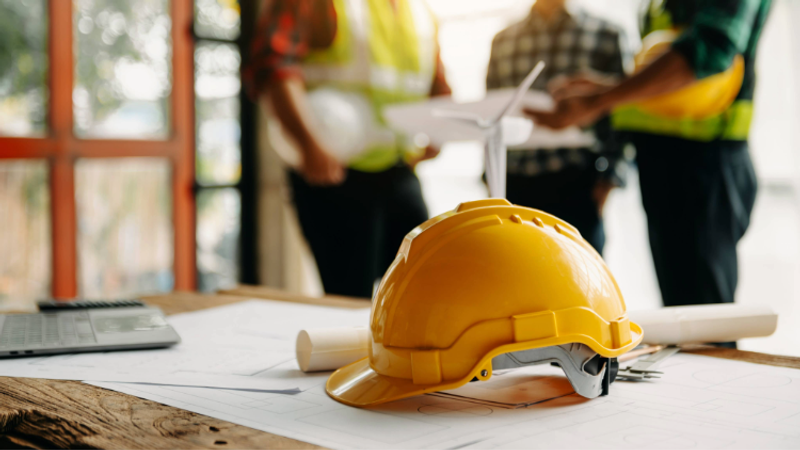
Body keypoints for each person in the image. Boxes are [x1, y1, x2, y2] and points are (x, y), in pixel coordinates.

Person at [528, 0, 772, 311]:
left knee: (703, 318)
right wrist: (606, 90)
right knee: (683, 311)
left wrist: (599, 100)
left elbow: (707, 52)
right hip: (664, 161)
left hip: (704, 163)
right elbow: (662, 77)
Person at [247, 0, 451, 299]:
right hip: (334, 172)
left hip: (399, 167)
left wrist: (439, 130)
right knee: (350, 298)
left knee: (427, 283)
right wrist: (308, 143)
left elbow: (437, 84)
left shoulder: (422, 13)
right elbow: (273, 63)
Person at [485, 0, 631, 254]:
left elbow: (624, 119)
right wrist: (490, 180)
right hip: (514, 189)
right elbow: (491, 120)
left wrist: (609, 181)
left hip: (578, 187)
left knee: (578, 286)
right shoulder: (502, 40)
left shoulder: (607, 35)